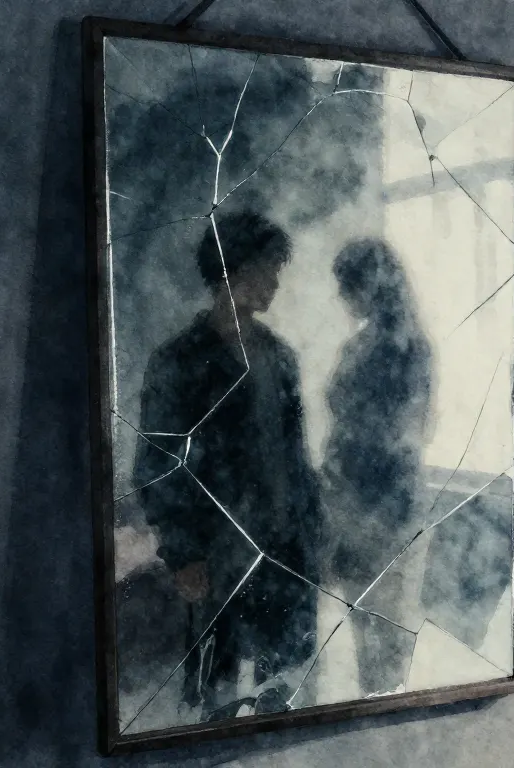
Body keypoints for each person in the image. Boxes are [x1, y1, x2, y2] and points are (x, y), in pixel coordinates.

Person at [133, 210, 323, 719]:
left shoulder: (280, 356)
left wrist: (311, 535)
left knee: (283, 694)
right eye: (264, 269)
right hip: (218, 555)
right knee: (215, 697)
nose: (274, 282)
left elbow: (296, 458)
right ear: (229, 271)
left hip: (284, 553)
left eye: (276, 270)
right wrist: (183, 553)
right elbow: (157, 463)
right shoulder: (177, 361)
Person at [322, 238, 433, 695]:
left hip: (388, 507)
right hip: (350, 504)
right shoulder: (358, 345)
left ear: (373, 284)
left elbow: (403, 435)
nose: (343, 296)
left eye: (349, 285)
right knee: (363, 628)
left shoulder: (408, 349)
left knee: (387, 635)